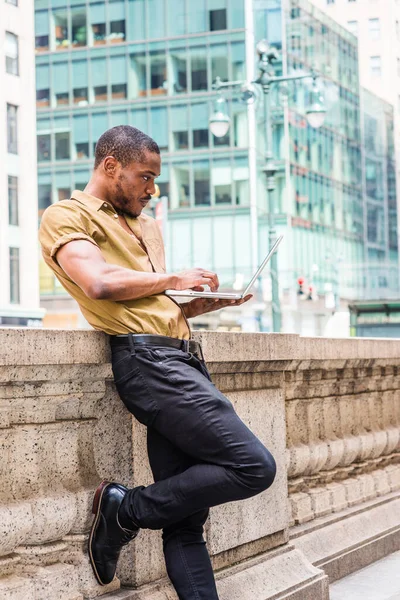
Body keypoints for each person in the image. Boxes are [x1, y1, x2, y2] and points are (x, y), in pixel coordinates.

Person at [39, 126, 276, 600]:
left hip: (180, 357)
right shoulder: (67, 215)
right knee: (254, 466)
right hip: (149, 364)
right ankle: (124, 510)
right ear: (111, 167)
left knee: (186, 523)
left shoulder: (146, 225)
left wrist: (194, 304)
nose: (153, 189)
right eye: (145, 177)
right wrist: (174, 276)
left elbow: (147, 299)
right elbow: (100, 283)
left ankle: (133, 513)